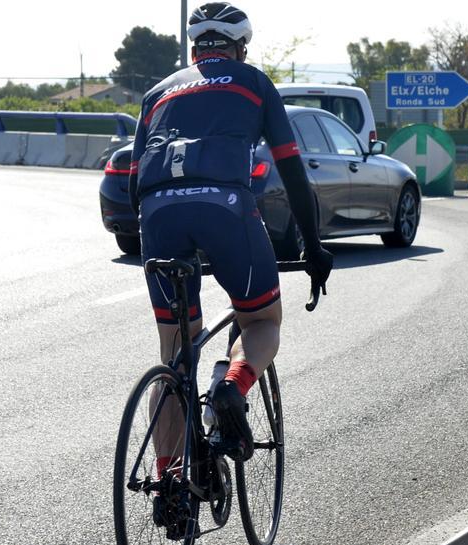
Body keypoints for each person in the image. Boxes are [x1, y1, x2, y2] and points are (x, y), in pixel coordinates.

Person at [129, 1, 333, 480]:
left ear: (195, 46)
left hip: (157, 215)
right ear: (241, 47)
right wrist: (313, 245)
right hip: (224, 207)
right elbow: (292, 170)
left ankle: (171, 481)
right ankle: (232, 388)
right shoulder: (255, 83)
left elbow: (136, 181)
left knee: (176, 356)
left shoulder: (156, 93)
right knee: (262, 318)